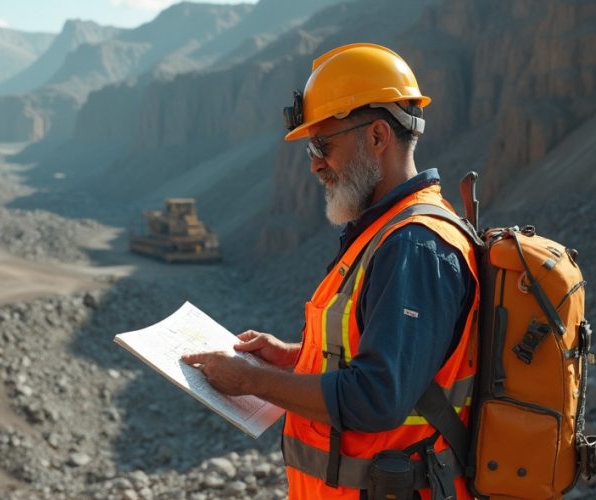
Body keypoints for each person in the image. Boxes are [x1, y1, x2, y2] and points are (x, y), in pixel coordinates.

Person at [181, 43, 479, 499]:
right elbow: (384, 351)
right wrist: (293, 355)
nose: (316, 163)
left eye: (323, 144)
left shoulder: (414, 245)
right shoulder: (383, 231)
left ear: (378, 138)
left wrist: (250, 381)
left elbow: (378, 397)